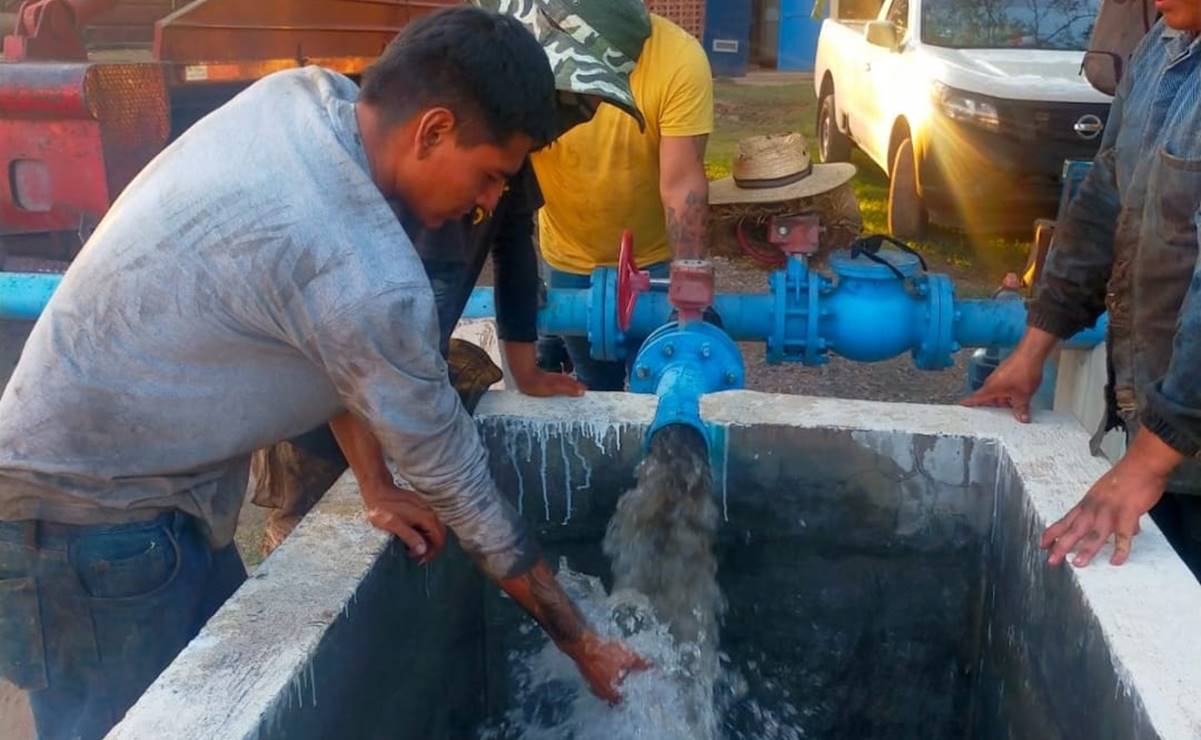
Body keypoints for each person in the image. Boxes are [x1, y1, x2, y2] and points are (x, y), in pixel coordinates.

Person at [0, 8, 644, 739]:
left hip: (143, 506)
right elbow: (457, 481)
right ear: (432, 130)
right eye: (491, 176)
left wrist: (374, 483)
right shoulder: (361, 266)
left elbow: (327, 347)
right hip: (84, 533)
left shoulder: (304, 103)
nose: (491, 202)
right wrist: (579, 638)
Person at [252, 0, 653, 556]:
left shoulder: (498, 158)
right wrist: (375, 483)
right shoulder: (409, 168)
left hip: (400, 382)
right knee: (313, 547)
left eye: (587, 107)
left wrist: (524, 368)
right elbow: (342, 341)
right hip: (326, 416)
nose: (576, 118)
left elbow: (515, 248)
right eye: (574, 101)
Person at [964, 0, 1201, 578]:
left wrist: (1145, 462)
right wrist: (1031, 351)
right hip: (1169, 441)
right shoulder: (1161, 50)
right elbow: (1102, 204)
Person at [483, 0, 715, 390]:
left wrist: (689, 279)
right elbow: (508, 168)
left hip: (651, 263)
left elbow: (681, 183)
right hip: (569, 258)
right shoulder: (529, 52)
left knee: (661, 384)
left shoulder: (680, 59)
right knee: (593, 388)